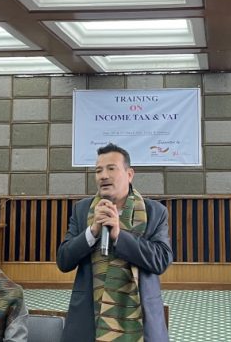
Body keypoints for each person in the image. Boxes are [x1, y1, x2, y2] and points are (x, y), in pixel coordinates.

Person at [56, 143, 173, 342]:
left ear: (129, 174)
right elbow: (64, 261)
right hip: (89, 318)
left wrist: (119, 235)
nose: (103, 176)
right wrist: (92, 231)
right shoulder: (82, 210)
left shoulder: (154, 212)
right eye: (98, 170)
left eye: (111, 168)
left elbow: (161, 260)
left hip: (140, 318)